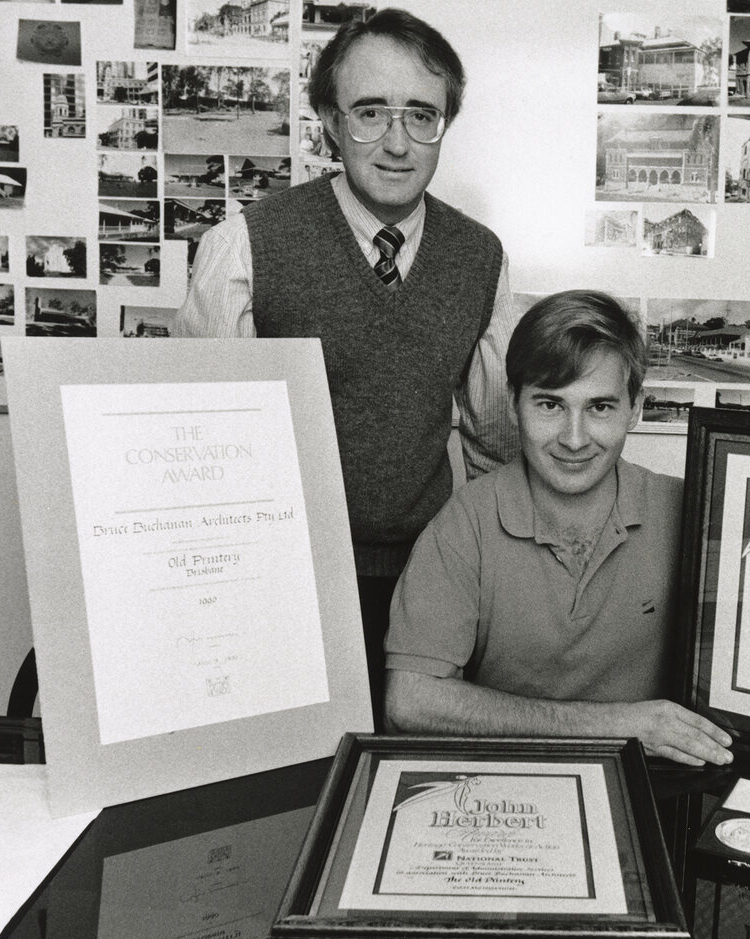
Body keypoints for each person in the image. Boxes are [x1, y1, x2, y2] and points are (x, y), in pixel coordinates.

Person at [172, 9, 518, 719]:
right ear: (329, 119)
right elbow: (202, 459)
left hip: (430, 587)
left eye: (422, 114)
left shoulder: (481, 257)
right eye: (369, 113)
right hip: (281, 588)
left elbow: (497, 445)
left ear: (446, 122)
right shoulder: (244, 248)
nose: (397, 143)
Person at [384, 290, 750, 764]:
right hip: (509, 800)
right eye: (550, 405)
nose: (574, 439)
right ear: (514, 403)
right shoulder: (464, 522)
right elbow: (409, 701)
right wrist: (615, 724)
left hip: (655, 794)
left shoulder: (694, 509)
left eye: (600, 407)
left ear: (635, 406)